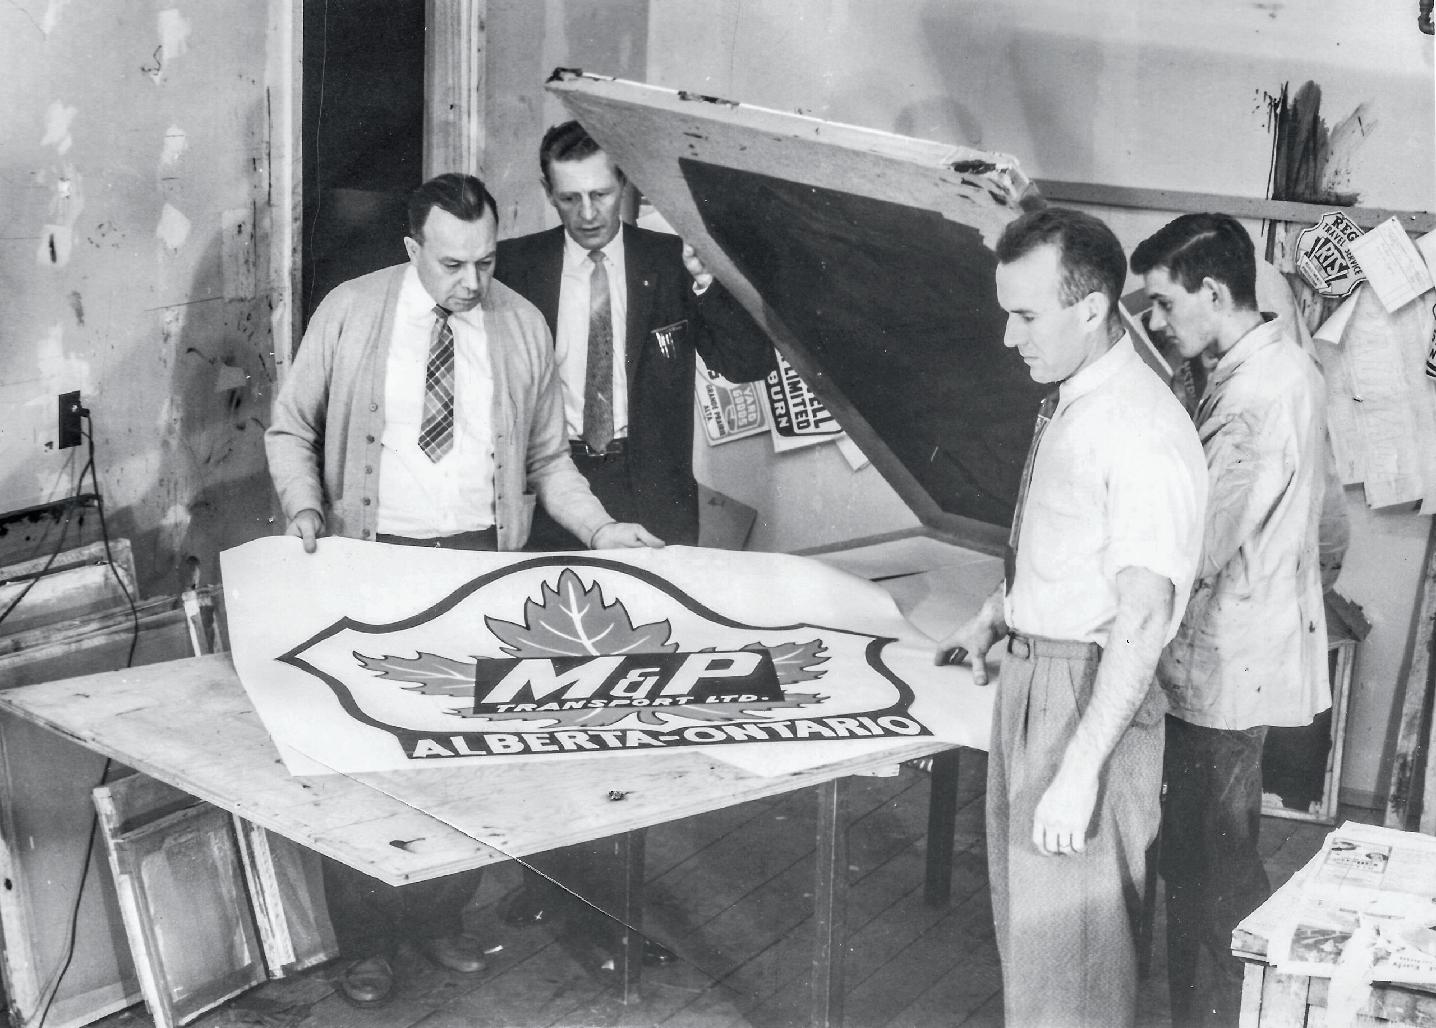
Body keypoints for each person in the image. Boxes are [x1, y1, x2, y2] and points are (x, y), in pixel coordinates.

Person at [264, 172, 661, 1007]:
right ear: (412, 249)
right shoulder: (350, 310)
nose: (473, 282)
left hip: (480, 564)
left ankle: (438, 917)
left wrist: (600, 530)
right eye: (452, 264)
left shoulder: (521, 325)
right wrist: (304, 508)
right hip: (372, 561)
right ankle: (367, 943)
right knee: (367, 760)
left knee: (465, 758)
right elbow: (290, 427)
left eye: (485, 261)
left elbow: (549, 461)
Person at [935, 207, 1207, 1028]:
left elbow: (1142, 619)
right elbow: (1068, 544)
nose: (1009, 337)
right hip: (1038, 680)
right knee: (1039, 962)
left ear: (1091, 309)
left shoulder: (1139, 428)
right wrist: (1000, 612)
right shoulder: (1079, 400)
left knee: (1074, 977)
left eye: (1026, 316)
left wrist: (1082, 769)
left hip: (1086, 698)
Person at [1131, 213, 1334, 1027]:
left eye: (1165, 303)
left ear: (1215, 293)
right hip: (1237, 652)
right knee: (1204, 859)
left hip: (1223, 665)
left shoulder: (1255, 397)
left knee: (1214, 871)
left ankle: (1228, 1017)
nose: (1156, 321)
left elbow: (1200, 545)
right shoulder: (1274, 362)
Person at [492, 119, 774, 549]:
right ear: (547, 191)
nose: (588, 214)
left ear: (622, 181)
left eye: (600, 194)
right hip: (551, 489)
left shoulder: (674, 262)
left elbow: (748, 364)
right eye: (570, 198)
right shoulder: (513, 267)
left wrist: (707, 283)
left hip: (655, 494)